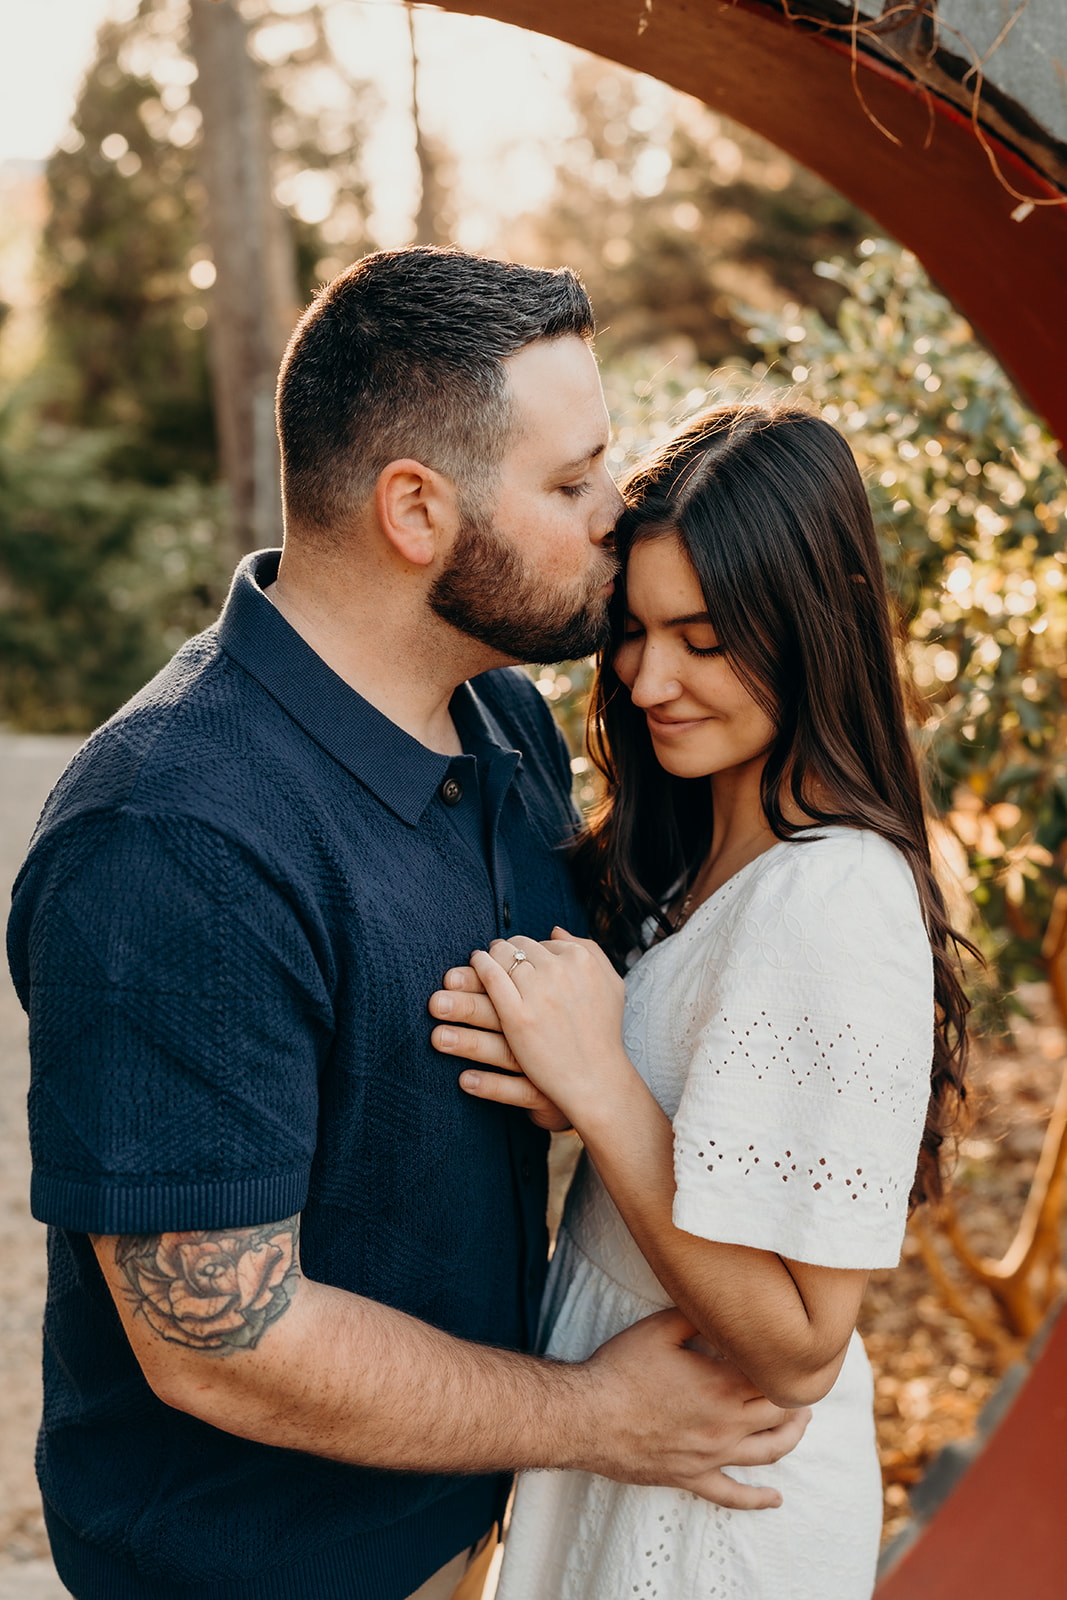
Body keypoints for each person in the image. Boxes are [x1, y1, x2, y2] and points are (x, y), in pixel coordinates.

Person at [7, 254, 809, 1600]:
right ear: (416, 510)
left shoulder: (499, 719)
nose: (618, 514)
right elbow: (218, 1339)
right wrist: (595, 1419)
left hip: (456, 1537)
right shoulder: (176, 838)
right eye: (569, 485)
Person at [431, 401, 973, 1599]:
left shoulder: (833, 896)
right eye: (633, 629)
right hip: (630, 1447)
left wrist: (599, 1083)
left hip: (716, 1511)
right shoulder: (700, 853)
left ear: (811, 627)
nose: (645, 676)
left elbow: (797, 1345)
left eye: (704, 636)